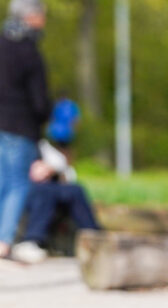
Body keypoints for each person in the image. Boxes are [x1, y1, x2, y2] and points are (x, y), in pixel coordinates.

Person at [0, 0, 51, 260]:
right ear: (31, 16)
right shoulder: (28, 50)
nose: (44, 19)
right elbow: (39, 98)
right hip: (19, 126)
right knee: (17, 184)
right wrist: (43, 118)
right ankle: (2, 243)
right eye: (42, 14)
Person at [11, 99, 101, 264]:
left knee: (75, 190)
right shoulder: (14, 140)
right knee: (45, 191)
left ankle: (96, 237)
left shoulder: (42, 142)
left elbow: (64, 168)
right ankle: (32, 240)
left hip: (47, 184)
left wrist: (51, 168)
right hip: (24, 186)